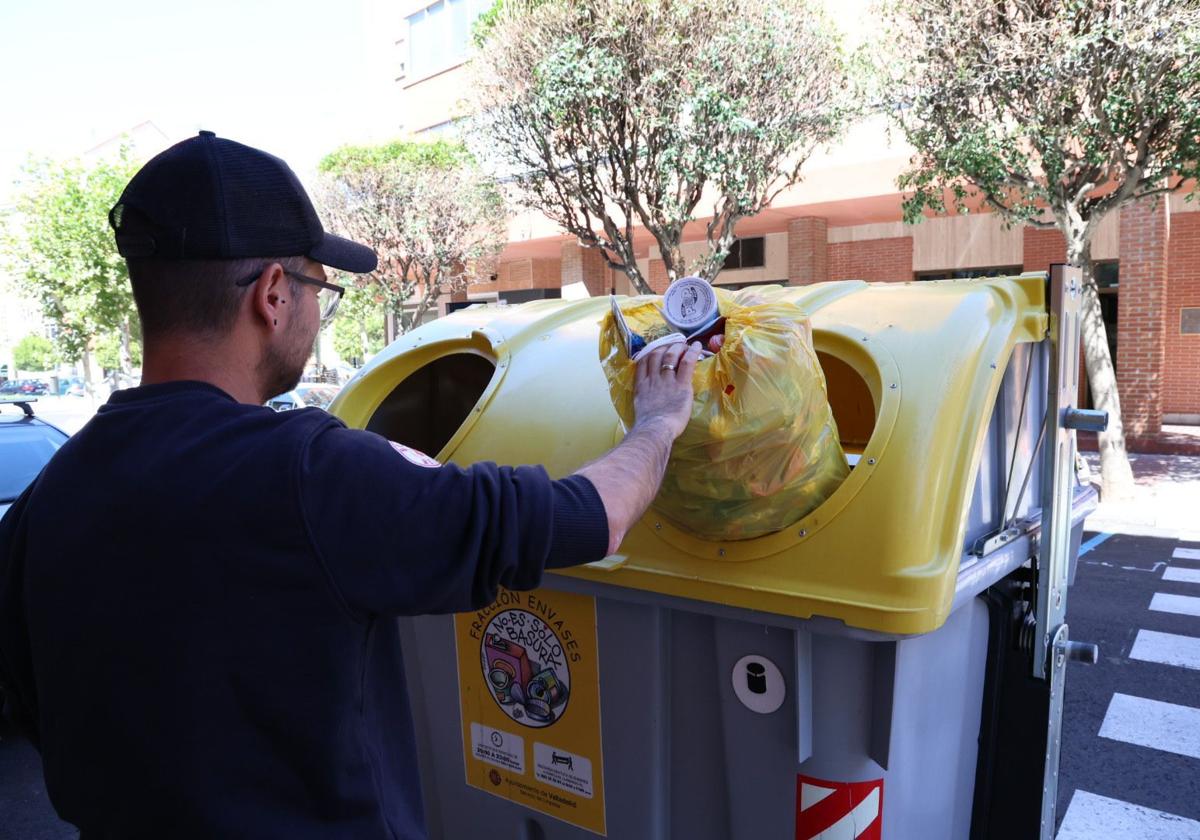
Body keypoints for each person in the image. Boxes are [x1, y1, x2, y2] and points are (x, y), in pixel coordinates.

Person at [0, 131, 702, 839]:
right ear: (273, 295)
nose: (313, 313)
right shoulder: (311, 475)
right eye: (317, 289)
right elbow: (588, 519)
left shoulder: (45, 501)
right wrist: (660, 421)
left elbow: (32, 708)